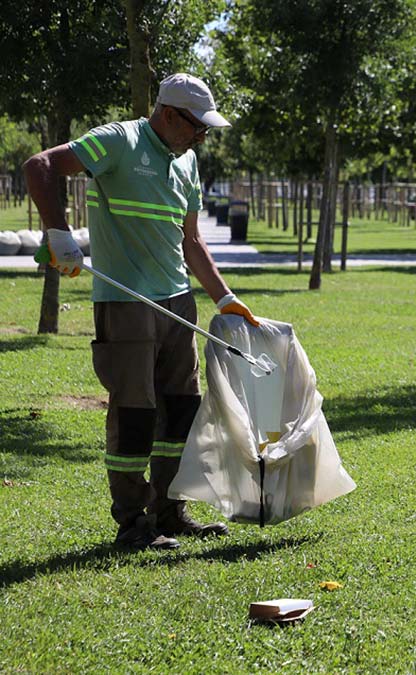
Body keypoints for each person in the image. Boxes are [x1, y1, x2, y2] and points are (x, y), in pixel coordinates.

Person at [23, 73, 259, 551]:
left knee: (181, 409)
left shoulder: (187, 160)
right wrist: (57, 232)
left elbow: (192, 241)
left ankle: (170, 511)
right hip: (126, 302)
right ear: (168, 114)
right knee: (134, 412)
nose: (202, 136)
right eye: (197, 126)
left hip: (177, 302)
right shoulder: (119, 140)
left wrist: (224, 298)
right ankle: (133, 521)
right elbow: (40, 164)